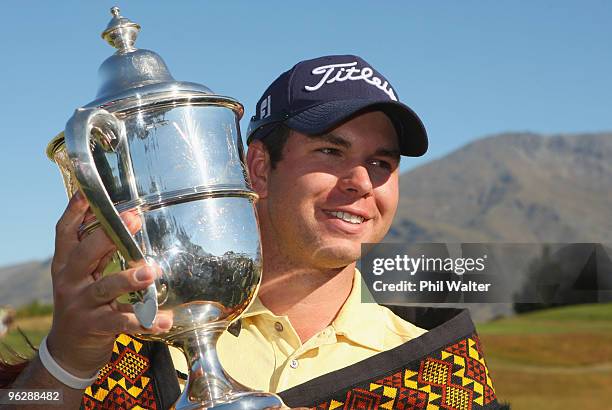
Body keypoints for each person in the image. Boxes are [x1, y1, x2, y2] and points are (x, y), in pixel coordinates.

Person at [3, 55, 503, 409]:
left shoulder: (443, 371)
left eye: (380, 163)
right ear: (259, 167)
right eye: (331, 152)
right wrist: (64, 359)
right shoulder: (139, 321)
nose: (360, 184)